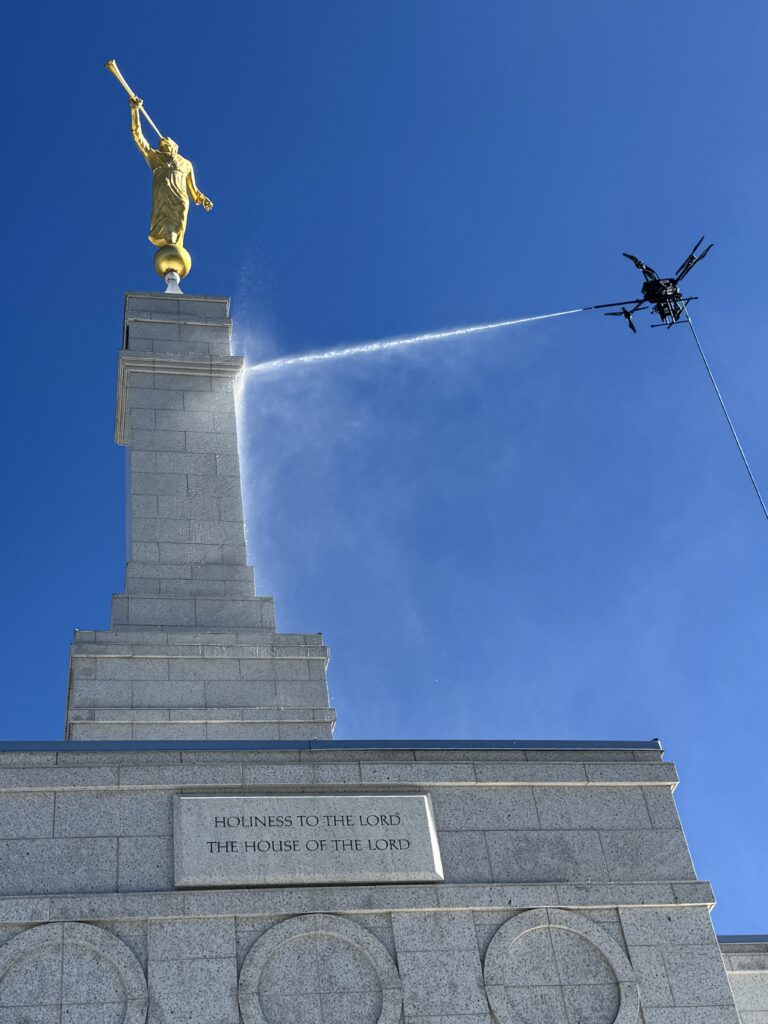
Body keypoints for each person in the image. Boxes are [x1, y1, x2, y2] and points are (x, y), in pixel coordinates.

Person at [129, 96, 213, 249]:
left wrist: (202, 198)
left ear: (175, 147)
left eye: (167, 141)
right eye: (161, 143)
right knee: (164, 223)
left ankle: (175, 245)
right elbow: (137, 137)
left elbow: (193, 189)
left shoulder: (186, 163)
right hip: (162, 196)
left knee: (179, 222)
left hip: (180, 198)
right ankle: (169, 240)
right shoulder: (155, 157)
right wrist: (135, 110)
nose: (163, 142)